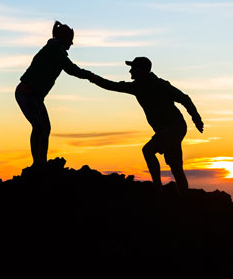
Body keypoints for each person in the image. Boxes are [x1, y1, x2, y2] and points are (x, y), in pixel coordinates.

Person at [85, 56, 203, 191]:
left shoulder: (160, 84)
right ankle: (184, 200)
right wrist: (93, 78)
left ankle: (158, 189)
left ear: (141, 70)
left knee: (148, 151)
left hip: (175, 127)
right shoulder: (137, 86)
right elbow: (113, 86)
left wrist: (196, 119)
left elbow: (184, 99)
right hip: (168, 129)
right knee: (175, 167)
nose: (130, 71)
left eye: (133, 68)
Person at [15, 21, 93, 168]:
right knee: (39, 126)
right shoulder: (55, 48)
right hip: (26, 93)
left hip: (34, 96)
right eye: (70, 40)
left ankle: (40, 163)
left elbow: (68, 67)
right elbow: (70, 68)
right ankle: (38, 163)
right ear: (64, 38)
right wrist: (89, 75)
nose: (71, 44)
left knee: (44, 127)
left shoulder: (55, 48)